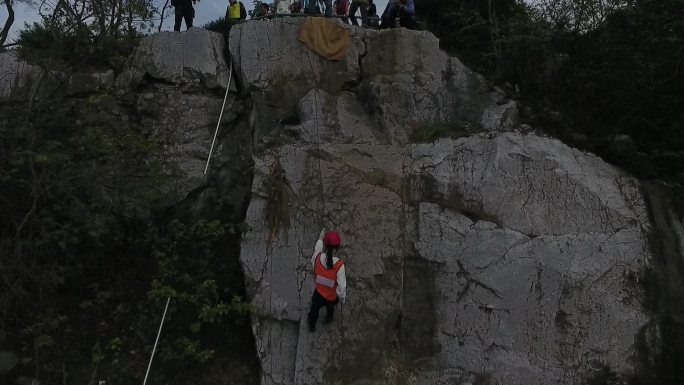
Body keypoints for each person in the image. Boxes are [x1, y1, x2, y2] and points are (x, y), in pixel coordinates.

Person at [307, 230, 347, 332]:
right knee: (330, 308)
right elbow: (342, 287)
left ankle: (311, 325)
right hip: (331, 297)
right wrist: (342, 299)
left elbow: (317, 251)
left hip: (318, 293)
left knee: (314, 310)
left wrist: (320, 239)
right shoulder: (339, 265)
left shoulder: (317, 258)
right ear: (337, 247)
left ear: (325, 245)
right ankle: (329, 318)